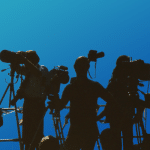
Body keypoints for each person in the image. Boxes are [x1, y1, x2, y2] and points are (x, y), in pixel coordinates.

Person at [48, 56, 114, 150]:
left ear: (75, 67)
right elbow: (112, 101)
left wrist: (54, 90)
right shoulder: (94, 86)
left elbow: (59, 106)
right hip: (89, 129)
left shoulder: (71, 88)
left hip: (77, 130)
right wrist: (98, 117)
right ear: (88, 67)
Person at [98, 55, 145, 150]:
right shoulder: (118, 82)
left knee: (119, 143)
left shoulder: (117, 81)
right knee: (126, 143)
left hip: (118, 117)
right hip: (123, 117)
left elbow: (108, 97)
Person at [10, 50, 48, 150]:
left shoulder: (42, 68)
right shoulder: (27, 70)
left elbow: (38, 73)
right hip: (28, 103)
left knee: (37, 133)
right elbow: (19, 73)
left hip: (38, 104)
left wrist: (24, 60)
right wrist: (14, 61)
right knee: (27, 133)